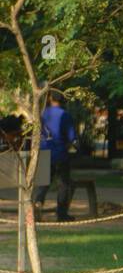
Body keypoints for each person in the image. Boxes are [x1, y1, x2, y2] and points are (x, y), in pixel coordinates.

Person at [35, 91, 77, 221]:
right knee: (63, 184)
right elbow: (72, 137)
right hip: (60, 154)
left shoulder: (42, 114)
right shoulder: (65, 115)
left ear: (50, 98)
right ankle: (62, 213)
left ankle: (38, 205)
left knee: (42, 183)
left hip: (43, 151)